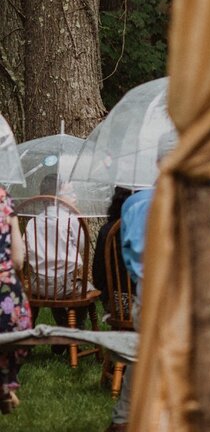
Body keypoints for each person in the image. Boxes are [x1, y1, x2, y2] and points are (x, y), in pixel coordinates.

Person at [108, 148, 210, 432]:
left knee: (151, 338)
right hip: (198, 310)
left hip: (149, 307)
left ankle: (124, 418)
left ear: (159, 163)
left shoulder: (134, 204)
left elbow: (128, 259)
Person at [23, 175, 87, 302]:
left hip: (37, 285)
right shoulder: (72, 219)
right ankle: (74, 320)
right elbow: (81, 246)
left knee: (53, 289)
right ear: (54, 197)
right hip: (65, 286)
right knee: (87, 288)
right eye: (70, 193)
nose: (75, 196)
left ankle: (55, 316)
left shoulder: (32, 222)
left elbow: (24, 253)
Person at [0, 184, 31, 414]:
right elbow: (19, 260)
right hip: (6, 297)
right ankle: (4, 384)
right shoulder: (3, 198)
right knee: (12, 338)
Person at [93, 187, 132, 314]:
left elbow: (98, 273)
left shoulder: (106, 230)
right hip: (149, 302)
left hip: (116, 303)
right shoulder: (152, 227)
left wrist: (105, 294)